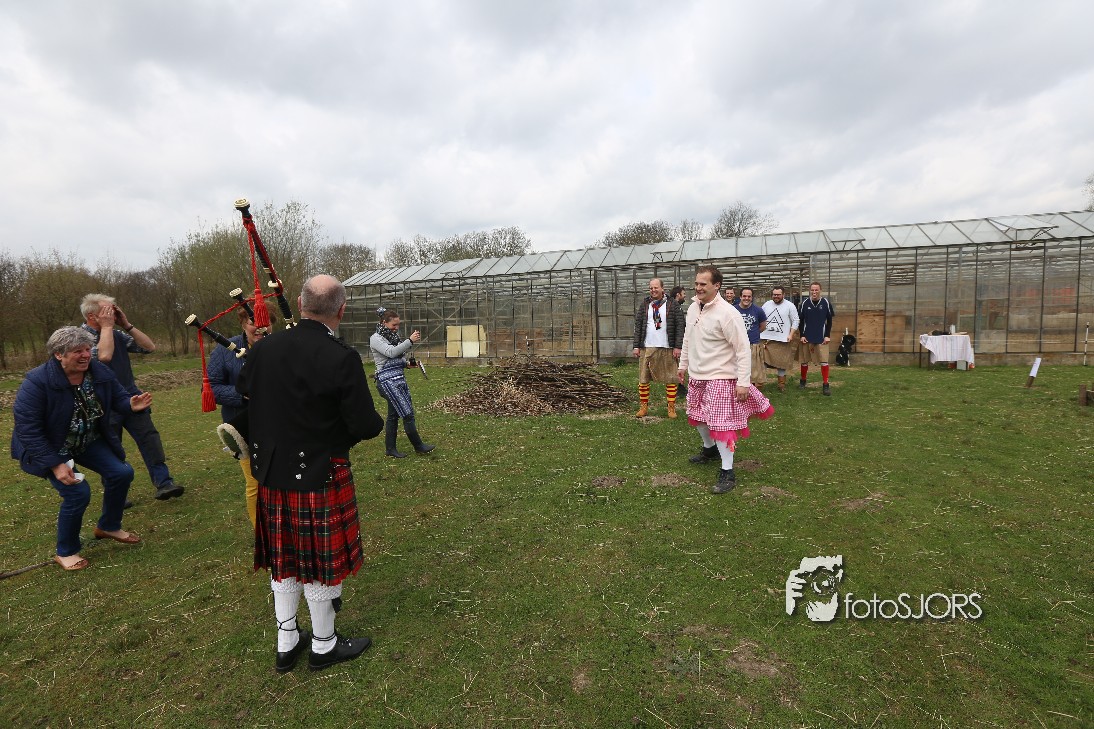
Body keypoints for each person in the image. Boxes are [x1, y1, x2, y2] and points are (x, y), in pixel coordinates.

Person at [238, 275, 385, 672]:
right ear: (342, 310)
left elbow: (244, 391)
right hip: (320, 470)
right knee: (319, 562)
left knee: (284, 558)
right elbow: (366, 424)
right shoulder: (341, 357)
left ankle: (286, 641)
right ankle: (323, 644)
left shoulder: (263, 349)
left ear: (301, 305)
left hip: (272, 472)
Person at [11, 327, 151, 570]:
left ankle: (108, 526)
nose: (86, 355)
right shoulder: (37, 382)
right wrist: (55, 464)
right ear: (59, 354)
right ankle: (66, 551)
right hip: (53, 447)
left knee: (121, 473)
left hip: (86, 440)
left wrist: (130, 404)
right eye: (78, 351)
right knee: (77, 493)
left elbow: (118, 397)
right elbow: (28, 429)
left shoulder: (99, 372)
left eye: (87, 349)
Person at [678, 266, 774, 494]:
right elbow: (687, 339)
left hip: (721, 377)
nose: (698, 287)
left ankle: (727, 471)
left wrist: (743, 382)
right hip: (697, 375)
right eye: (697, 283)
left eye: (703, 284)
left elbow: (742, 349)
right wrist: (683, 365)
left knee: (721, 425)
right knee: (698, 417)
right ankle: (709, 449)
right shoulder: (692, 308)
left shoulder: (728, 313)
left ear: (717, 285)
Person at [80, 294, 183, 501]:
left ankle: (164, 483)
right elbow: (103, 356)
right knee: (111, 448)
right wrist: (107, 327)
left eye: (113, 310)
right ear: (92, 316)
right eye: (107, 311)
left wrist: (126, 325)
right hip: (103, 403)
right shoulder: (80, 339)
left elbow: (149, 347)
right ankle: (116, 494)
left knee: (150, 440)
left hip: (131, 397)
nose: (112, 314)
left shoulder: (117, 334)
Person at [207, 297, 272, 527]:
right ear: (243, 323)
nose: (259, 328)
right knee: (255, 482)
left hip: (280, 425)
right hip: (245, 428)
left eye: (265, 323)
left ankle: (282, 528)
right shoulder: (225, 349)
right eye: (253, 323)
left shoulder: (281, 345)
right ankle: (261, 533)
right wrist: (242, 394)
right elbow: (211, 388)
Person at [369, 308, 435, 457]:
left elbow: (398, 356)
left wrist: (406, 364)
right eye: (394, 325)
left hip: (398, 380)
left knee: (393, 415)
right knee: (407, 413)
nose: (396, 328)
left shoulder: (393, 336)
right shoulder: (376, 338)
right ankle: (418, 446)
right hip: (387, 382)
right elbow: (391, 352)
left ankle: (390, 449)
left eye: (398, 324)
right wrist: (409, 341)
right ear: (384, 322)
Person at [631, 278, 685, 418]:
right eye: (651, 288)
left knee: (671, 378)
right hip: (647, 346)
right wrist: (636, 346)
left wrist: (678, 346)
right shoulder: (645, 304)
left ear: (662, 288)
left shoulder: (673, 304)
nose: (653, 290)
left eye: (656, 287)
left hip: (667, 346)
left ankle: (671, 408)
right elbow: (638, 326)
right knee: (643, 378)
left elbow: (680, 326)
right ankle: (643, 407)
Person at [798, 282, 835, 395]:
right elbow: (801, 321)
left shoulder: (826, 303)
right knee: (804, 361)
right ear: (810, 291)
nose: (814, 292)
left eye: (816, 290)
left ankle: (825, 385)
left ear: (820, 290)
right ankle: (803, 381)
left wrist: (827, 335)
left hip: (821, 337)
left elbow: (829, 321)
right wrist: (802, 335)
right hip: (807, 336)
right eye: (812, 290)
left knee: (824, 361)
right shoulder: (804, 303)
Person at [760, 286, 800, 392]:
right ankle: (760, 384)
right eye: (774, 294)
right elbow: (761, 318)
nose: (776, 296)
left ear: (783, 295)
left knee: (782, 363)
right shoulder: (767, 304)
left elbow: (796, 320)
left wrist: (791, 334)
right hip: (766, 339)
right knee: (762, 362)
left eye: (778, 294)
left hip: (782, 339)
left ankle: (781, 385)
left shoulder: (790, 306)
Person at [734, 287, 768, 389]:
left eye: (749, 296)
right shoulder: (733, 310)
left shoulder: (758, 310)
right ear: (740, 297)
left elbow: (763, 326)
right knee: (737, 369)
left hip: (753, 344)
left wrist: (753, 333)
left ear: (752, 297)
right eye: (744, 296)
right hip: (737, 344)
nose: (746, 298)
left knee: (753, 370)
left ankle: (751, 391)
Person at [670, 286, 689, 400]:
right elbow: (679, 326)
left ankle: (679, 386)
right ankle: (678, 387)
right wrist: (678, 344)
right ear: (678, 295)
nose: (685, 296)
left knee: (679, 364)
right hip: (676, 341)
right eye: (683, 294)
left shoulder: (674, 306)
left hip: (677, 341)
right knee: (677, 364)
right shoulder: (675, 307)